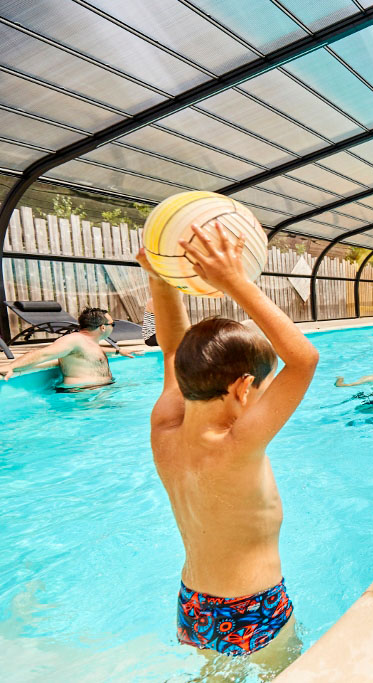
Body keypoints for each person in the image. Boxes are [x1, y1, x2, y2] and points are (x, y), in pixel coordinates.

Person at [137, 222, 319, 671]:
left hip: (193, 605)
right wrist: (234, 281)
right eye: (260, 390)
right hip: (252, 609)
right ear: (243, 388)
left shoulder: (165, 426)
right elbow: (305, 359)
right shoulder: (237, 443)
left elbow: (172, 348)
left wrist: (162, 276)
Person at [0, 307, 137, 390]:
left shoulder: (88, 342)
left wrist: (118, 351)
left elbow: (89, 353)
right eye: (112, 324)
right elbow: (43, 354)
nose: (113, 328)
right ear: (102, 327)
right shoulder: (73, 340)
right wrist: (12, 366)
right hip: (82, 396)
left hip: (95, 392)